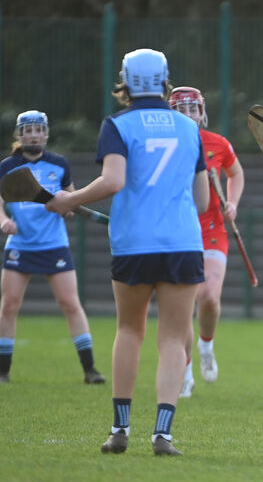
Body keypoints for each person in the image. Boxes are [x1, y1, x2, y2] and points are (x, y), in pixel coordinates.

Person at [47, 48, 209, 456]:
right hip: (182, 242)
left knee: (129, 330)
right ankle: (163, 435)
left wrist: (70, 199)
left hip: (134, 243)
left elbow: (113, 180)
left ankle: (120, 430)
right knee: (173, 337)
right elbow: (204, 201)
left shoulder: (116, 124)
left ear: (125, 82)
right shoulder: (190, 129)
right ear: (164, 80)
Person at [0, 111, 105, 385]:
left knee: (70, 304)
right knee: (9, 305)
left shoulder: (59, 165)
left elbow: (69, 198)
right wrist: (3, 221)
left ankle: (90, 370)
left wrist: (66, 208)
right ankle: (3, 371)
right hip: (20, 244)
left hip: (54, 244)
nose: (33, 134)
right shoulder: (7, 166)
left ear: (46, 134)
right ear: (19, 135)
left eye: (38, 129)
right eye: (28, 130)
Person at [169, 86, 245, 398]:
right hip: (176, 232)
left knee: (209, 297)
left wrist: (233, 203)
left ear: (202, 111)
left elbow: (235, 174)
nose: (189, 115)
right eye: (182, 109)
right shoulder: (163, 145)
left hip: (212, 228)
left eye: (194, 109)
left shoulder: (218, 144)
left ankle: (206, 344)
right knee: (184, 305)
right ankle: (185, 371)